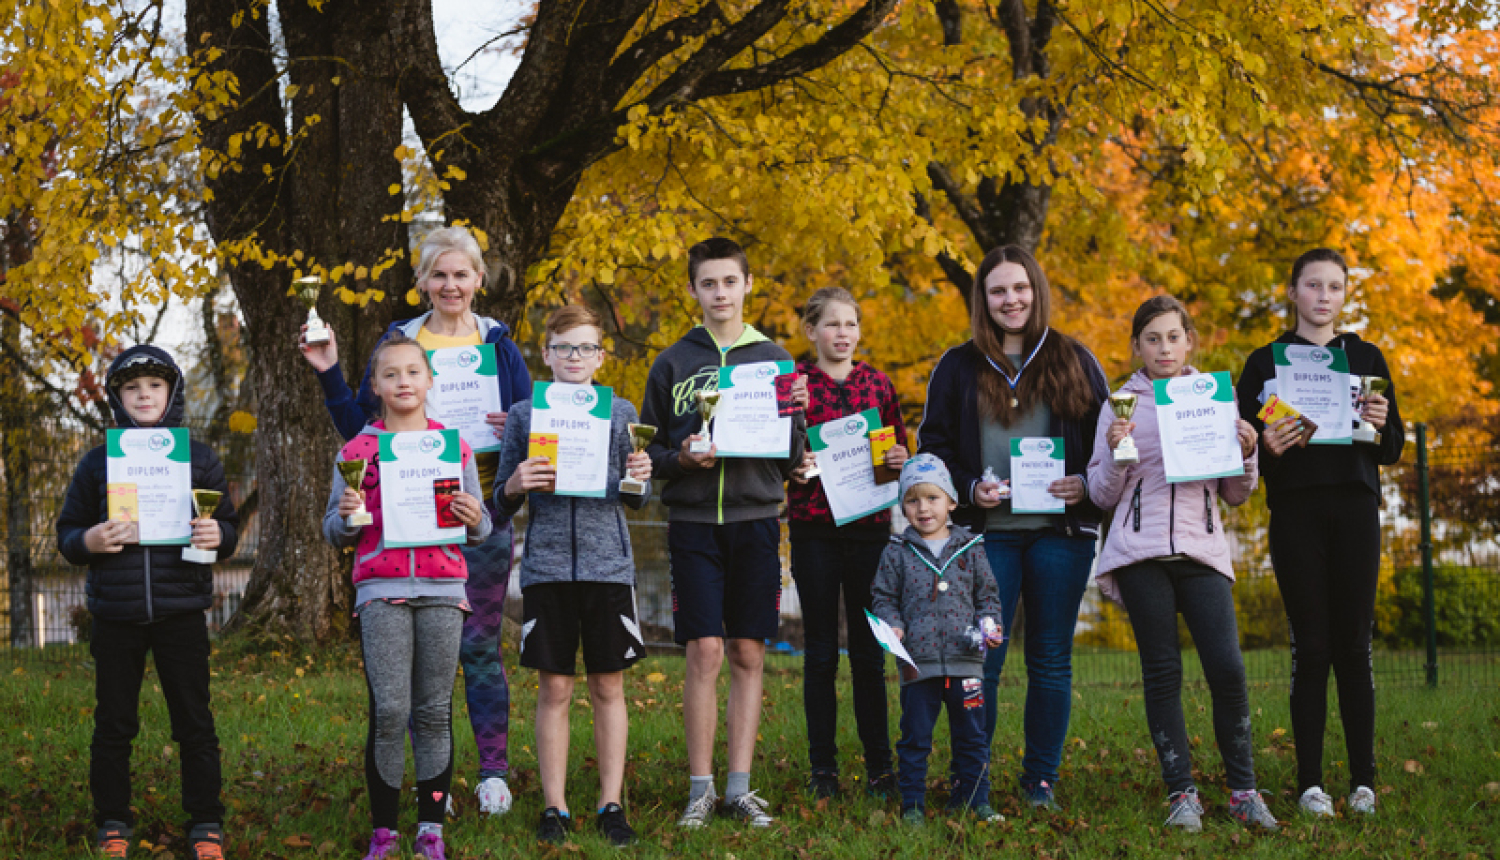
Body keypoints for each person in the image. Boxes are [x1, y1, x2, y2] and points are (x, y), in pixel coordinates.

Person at [299, 225, 526, 815]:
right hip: (398, 528)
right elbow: (359, 433)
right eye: (439, 274)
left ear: (479, 279)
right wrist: (328, 372)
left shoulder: (500, 345)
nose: (451, 285)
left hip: (476, 515)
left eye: (462, 273)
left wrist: (516, 431)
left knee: (478, 644)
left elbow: (533, 427)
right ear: (422, 281)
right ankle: (430, 787)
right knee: (408, 676)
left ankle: (492, 772)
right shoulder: (398, 343)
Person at [917, 244, 1108, 810]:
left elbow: (1109, 443)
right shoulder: (957, 365)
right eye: (998, 290)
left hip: (1060, 537)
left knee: (1050, 658)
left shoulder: (1075, 358)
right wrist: (969, 487)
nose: (1011, 300)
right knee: (984, 661)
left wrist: (1083, 483)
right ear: (984, 299)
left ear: (1037, 291)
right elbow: (934, 448)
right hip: (985, 537)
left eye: (1020, 288)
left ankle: (1039, 783)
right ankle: (973, 784)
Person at [1088, 296, 1278, 831]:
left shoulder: (1218, 398)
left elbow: (1236, 493)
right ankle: (1181, 795)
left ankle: (1243, 791)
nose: (1164, 348)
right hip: (1139, 553)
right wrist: (1115, 450)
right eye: (1152, 339)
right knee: (1163, 672)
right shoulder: (1119, 403)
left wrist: (1246, 450)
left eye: (1173, 337)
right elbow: (1103, 495)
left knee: (1228, 669)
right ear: (1137, 347)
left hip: (1202, 552)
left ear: (1190, 340)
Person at [640, 237, 806, 828]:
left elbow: (792, 457)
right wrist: (681, 459)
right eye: (707, 284)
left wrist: (799, 413)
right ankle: (700, 789)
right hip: (691, 525)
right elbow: (648, 453)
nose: (719, 294)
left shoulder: (775, 358)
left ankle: (740, 788)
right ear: (692, 290)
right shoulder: (671, 362)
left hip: (756, 519)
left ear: (748, 285)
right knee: (704, 650)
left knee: (747, 651)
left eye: (729, 283)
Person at [1236, 248, 1403, 818]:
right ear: (1292, 293)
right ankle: (1310, 784)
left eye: (1335, 285)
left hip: (1355, 508)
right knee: (1310, 648)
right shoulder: (1264, 363)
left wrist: (1380, 424)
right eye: (1313, 284)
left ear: (1344, 294)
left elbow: (1394, 447)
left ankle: (1364, 783)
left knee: (1354, 646)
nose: (1324, 295)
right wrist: (1268, 447)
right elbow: (1246, 459)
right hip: (1296, 513)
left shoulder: (1366, 356)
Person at [56, 345, 240, 860]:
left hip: (181, 611)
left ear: (171, 393)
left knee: (194, 721)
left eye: (154, 386)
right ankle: (112, 821)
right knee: (114, 722)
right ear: (116, 397)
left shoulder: (199, 459)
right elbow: (67, 534)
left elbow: (228, 529)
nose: (143, 395)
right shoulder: (97, 464)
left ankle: (206, 823)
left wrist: (215, 533)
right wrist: (89, 540)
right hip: (115, 615)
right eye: (132, 388)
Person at [323, 333, 491, 860]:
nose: (402, 382)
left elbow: (482, 526)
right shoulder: (356, 452)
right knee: (392, 709)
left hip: (443, 589)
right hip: (381, 590)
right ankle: (383, 830)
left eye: (412, 373)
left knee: (435, 710)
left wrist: (472, 516)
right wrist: (348, 516)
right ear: (373, 386)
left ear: (429, 381)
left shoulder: (453, 445)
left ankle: (431, 828)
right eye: (390, 374)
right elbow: (333, 530)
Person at [493, 306, 652, 846]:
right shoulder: (523, 416)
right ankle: (554, 806)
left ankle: (612, 804)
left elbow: (637, 499)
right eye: (564, 347)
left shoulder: (621, 411)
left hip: (609, 568)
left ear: (601, 356)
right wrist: (515, 482)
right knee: (554, 687)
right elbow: (499, 500)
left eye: (585, 348)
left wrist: (637, 476)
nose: (575, 358)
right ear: (547, 354)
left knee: (608, 685)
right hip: (548, 569)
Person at [786, 287, 904, 800]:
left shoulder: (877, 384)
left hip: (869, 528)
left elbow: (896, 448)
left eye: (850, 324)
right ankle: (823, 770)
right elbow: (778, 454)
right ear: (811, 331)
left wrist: (898, 456)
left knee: (869, 653)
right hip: (813, 529)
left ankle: (880, 768)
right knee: (819, 654)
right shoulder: (793, 386)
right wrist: (794, 463)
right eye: (831, 324)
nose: (842, 334)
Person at [870, 454, 1005, 825]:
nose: (923, 508)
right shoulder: (896, 551)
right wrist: (893, 624)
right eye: (912, 500)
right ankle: (913, 804)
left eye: (932, 498)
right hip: (918, 664)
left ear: (951, 502)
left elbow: (988, 597)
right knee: (914, 738)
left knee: (973, 736)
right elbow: (883, 597)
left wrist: (990, 625)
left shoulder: (972, 548)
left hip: (967, 662)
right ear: (903, 507)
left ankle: (976, 799)